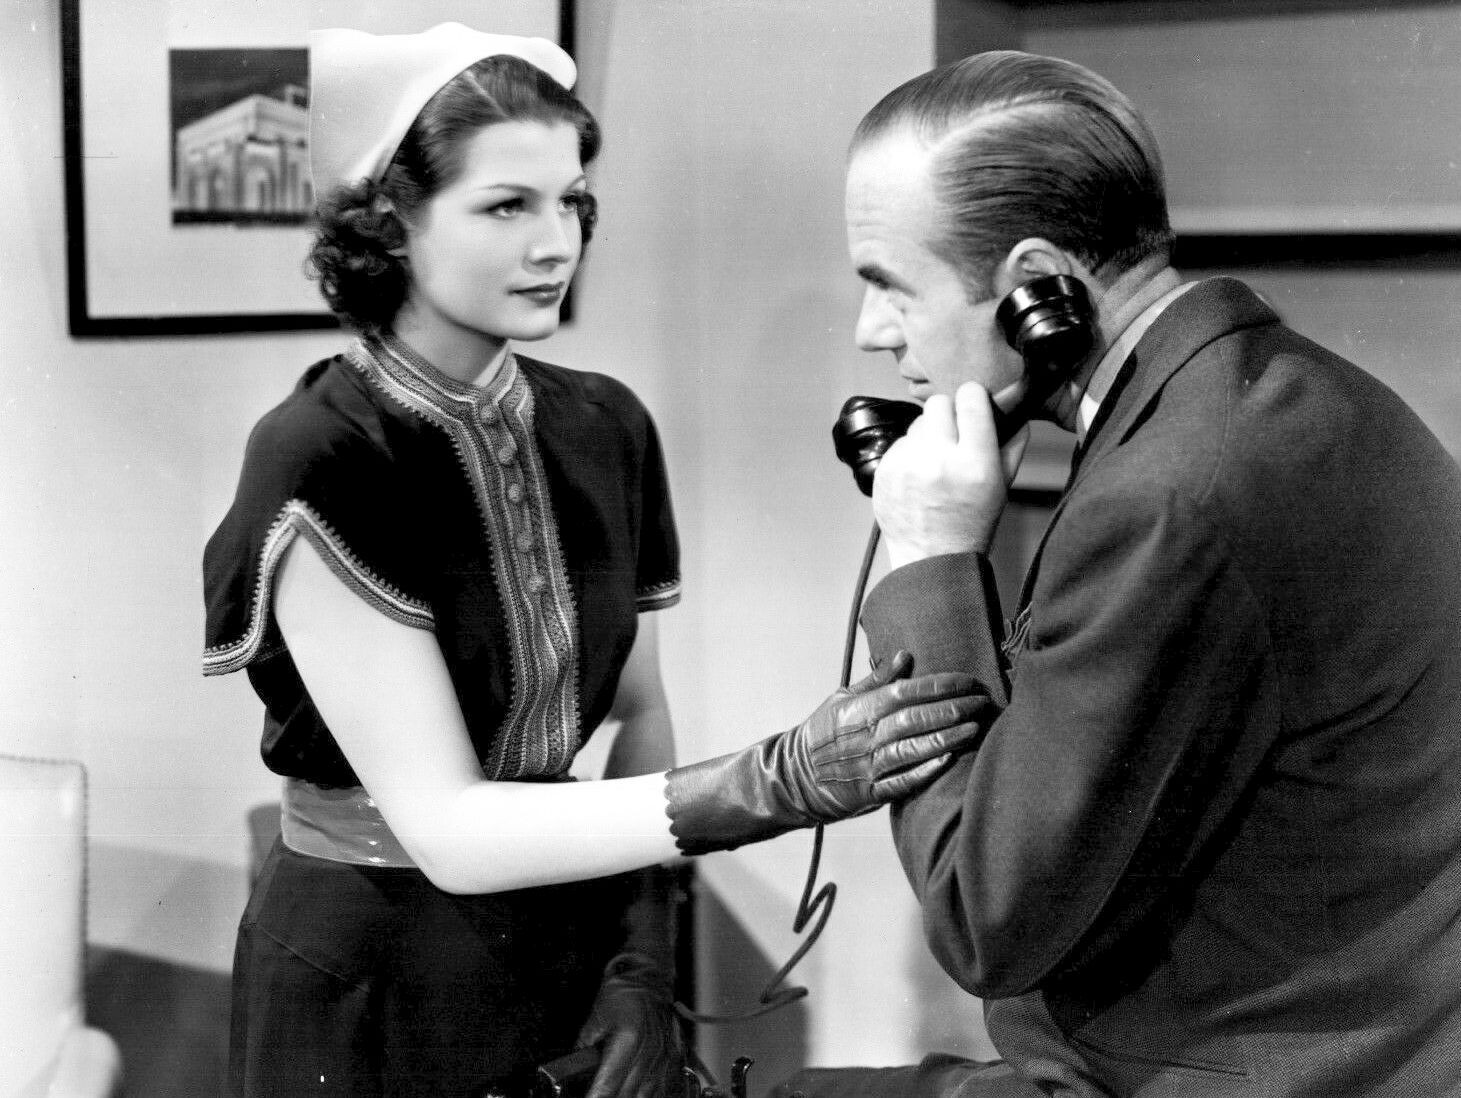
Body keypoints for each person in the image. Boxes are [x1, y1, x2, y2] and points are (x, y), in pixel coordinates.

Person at [201, 25, 991, 1098]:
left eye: (571, 201)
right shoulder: (325, 455)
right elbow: (449, 831)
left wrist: (638, 963)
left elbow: (636, 716)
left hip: (564, 941)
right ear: (389, 223)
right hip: (371, 972)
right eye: (506, 206)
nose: (556, 243)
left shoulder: (605, 424)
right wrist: (784, 778)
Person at [777, 49, 1461, 1098]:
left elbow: (986, 921)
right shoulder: (1292, 394)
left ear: (1033, 288)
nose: (871, 334)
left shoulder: (1164, 499)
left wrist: (929, 558)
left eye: (888, 286)